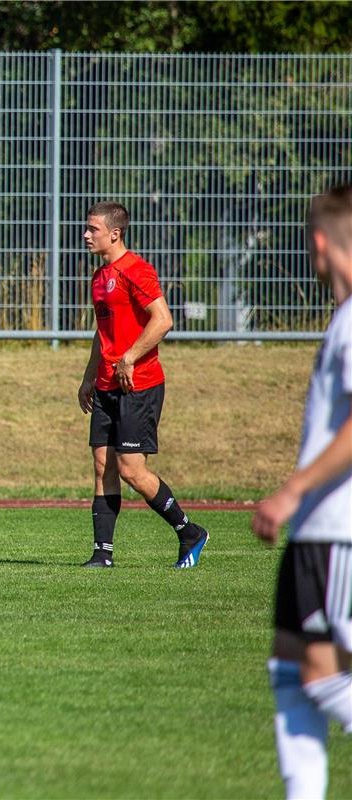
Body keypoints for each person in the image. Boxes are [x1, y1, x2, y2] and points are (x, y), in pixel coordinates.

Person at [252, 184, 352, 800]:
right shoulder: (340, 318)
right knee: (291, 665)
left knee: (320, 673)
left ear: (319, 243)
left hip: (337, 528)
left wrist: (292, 491)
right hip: (315, 529)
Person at [76, 201, 209, 569]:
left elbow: (163, 320)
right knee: (103, 465)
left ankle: (189, 531)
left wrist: (130, 357)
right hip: (106, 385)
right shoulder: (100, 278)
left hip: (139, 384)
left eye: (93, 230)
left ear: (114, 234)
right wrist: (90, 377)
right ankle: (102, 555)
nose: (86, 235)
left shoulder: (137, 270)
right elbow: (102, 333)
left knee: (132, 470)